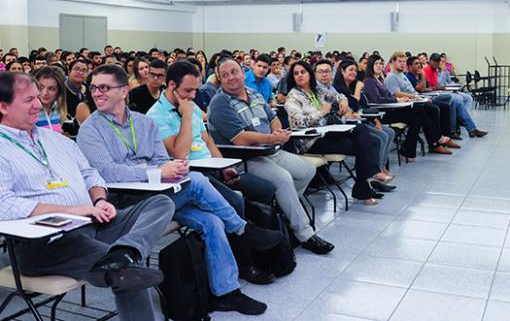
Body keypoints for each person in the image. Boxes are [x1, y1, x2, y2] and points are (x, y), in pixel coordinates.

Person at [77, 64, 280, 314]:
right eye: (94, 87)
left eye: (105, 88)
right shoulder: (90, 129)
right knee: (196, 181)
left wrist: (172, 168)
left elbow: (161, 159)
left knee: (212, 222)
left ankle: (226, 292)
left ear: (123, 91)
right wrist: (155, 172)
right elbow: (106, 172)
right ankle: (241, 229)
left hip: (160, 193)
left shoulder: (143, 122)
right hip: (126, 203)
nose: (97, 93)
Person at [0, 71, 174, 321]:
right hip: (48, 243)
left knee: (160, 203)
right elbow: (3, 205)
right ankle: (121, 260)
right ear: (3, 106)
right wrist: (74, 211)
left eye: (38, 97)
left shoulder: (54, 139)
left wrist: (100, 200)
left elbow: (91, 174)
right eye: (28, 100)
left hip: (91, 222)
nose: (39, 104)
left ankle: (124, 252)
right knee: (129, 274)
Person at [146, 61, 278, 284]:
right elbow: (179, 152)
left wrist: (224, 166)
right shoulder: (156, 116)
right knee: (235, 202)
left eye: (196, 89)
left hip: (212, 168)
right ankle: (245, 263)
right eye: (188, 90)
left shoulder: (192, 106)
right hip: (191, 176)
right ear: (171, 86)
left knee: (265, 189)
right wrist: (186, 116)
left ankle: (259, 246)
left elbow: (208, 141)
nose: (193, 95)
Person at [207, 57, 335, 254]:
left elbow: (273, 119)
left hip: (270, 150)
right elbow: (240, 139)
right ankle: (305, 234)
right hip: (244, 159)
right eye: (225, 75)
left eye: (234, 72)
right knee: (283, 180)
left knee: (307, 170)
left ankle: (284, 212)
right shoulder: (219, 103)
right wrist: (272, 138)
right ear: (220, 79)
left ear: (243, 73)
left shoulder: (254, 94)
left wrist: (277, 133)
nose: (231, 78)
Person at [285, 60, 391, 205]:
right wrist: (321, 112)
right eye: (296, 73)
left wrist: (344, 101)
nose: (299, 76)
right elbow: (298, 123)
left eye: (302, 72)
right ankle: (365, 184)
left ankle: (365, 183)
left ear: (310, 74)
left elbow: (338, 96)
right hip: (311, 140)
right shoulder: (293, 96)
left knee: (361, 130)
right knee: (365, 144)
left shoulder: (318, 91)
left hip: (328, 132)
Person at [363, 55, 452, 159]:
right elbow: (377, 99)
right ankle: (435, 138)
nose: (379, 66)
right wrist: (397, 100)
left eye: (381, 63)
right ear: (371, 65)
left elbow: (388, 96)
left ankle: (408, 150)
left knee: (418, 118)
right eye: (376, 63)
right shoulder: (369, 81)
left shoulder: (379, 80)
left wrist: (400, 100)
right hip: (382, 114)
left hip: (391, 109)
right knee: (419, 110)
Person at [332, 60, 396, 182]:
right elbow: (354, 106)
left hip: (363, 120)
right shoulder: (337, 89)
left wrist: (377, 121)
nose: (354, 73)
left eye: (355, 70)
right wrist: (357, 90)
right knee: (380, 138)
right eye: (350, 70)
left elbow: (365, 106)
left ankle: (381, 167)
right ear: (341, 71)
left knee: (389, 132)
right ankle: (375, 172)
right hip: (349, 125)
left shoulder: (354, 85)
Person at [385, 52, 461, 148]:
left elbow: (420, 89)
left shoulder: (402, 75)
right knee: (432, 109)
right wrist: (417, 97)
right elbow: (397, 94)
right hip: (407, 104)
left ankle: (445, 137)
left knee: (445, 107)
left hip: (417, 99)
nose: (402, 64)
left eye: (404, 61)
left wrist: (420, 96)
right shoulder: (391, 77)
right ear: (393, 62)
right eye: (400, 61)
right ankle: (435, 143)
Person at [418, 54, 487, 138]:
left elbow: (440, 83)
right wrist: (439, 84)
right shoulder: (426, 70)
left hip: (438, 92)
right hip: (431, 95)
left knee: (460, 100)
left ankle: (469, 128)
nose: (437, 65)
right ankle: (461, 127)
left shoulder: (435, 69)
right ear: (431, 61)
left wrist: (441, 84)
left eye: (439, 63)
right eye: (436, 63)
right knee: (456, 100)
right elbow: (429, 87)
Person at [34, 66, 68, 134]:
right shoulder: (30, 111)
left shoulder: (59, 109)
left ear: (59, 91)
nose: (45, 93)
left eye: (51, 89)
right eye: (41, 87)